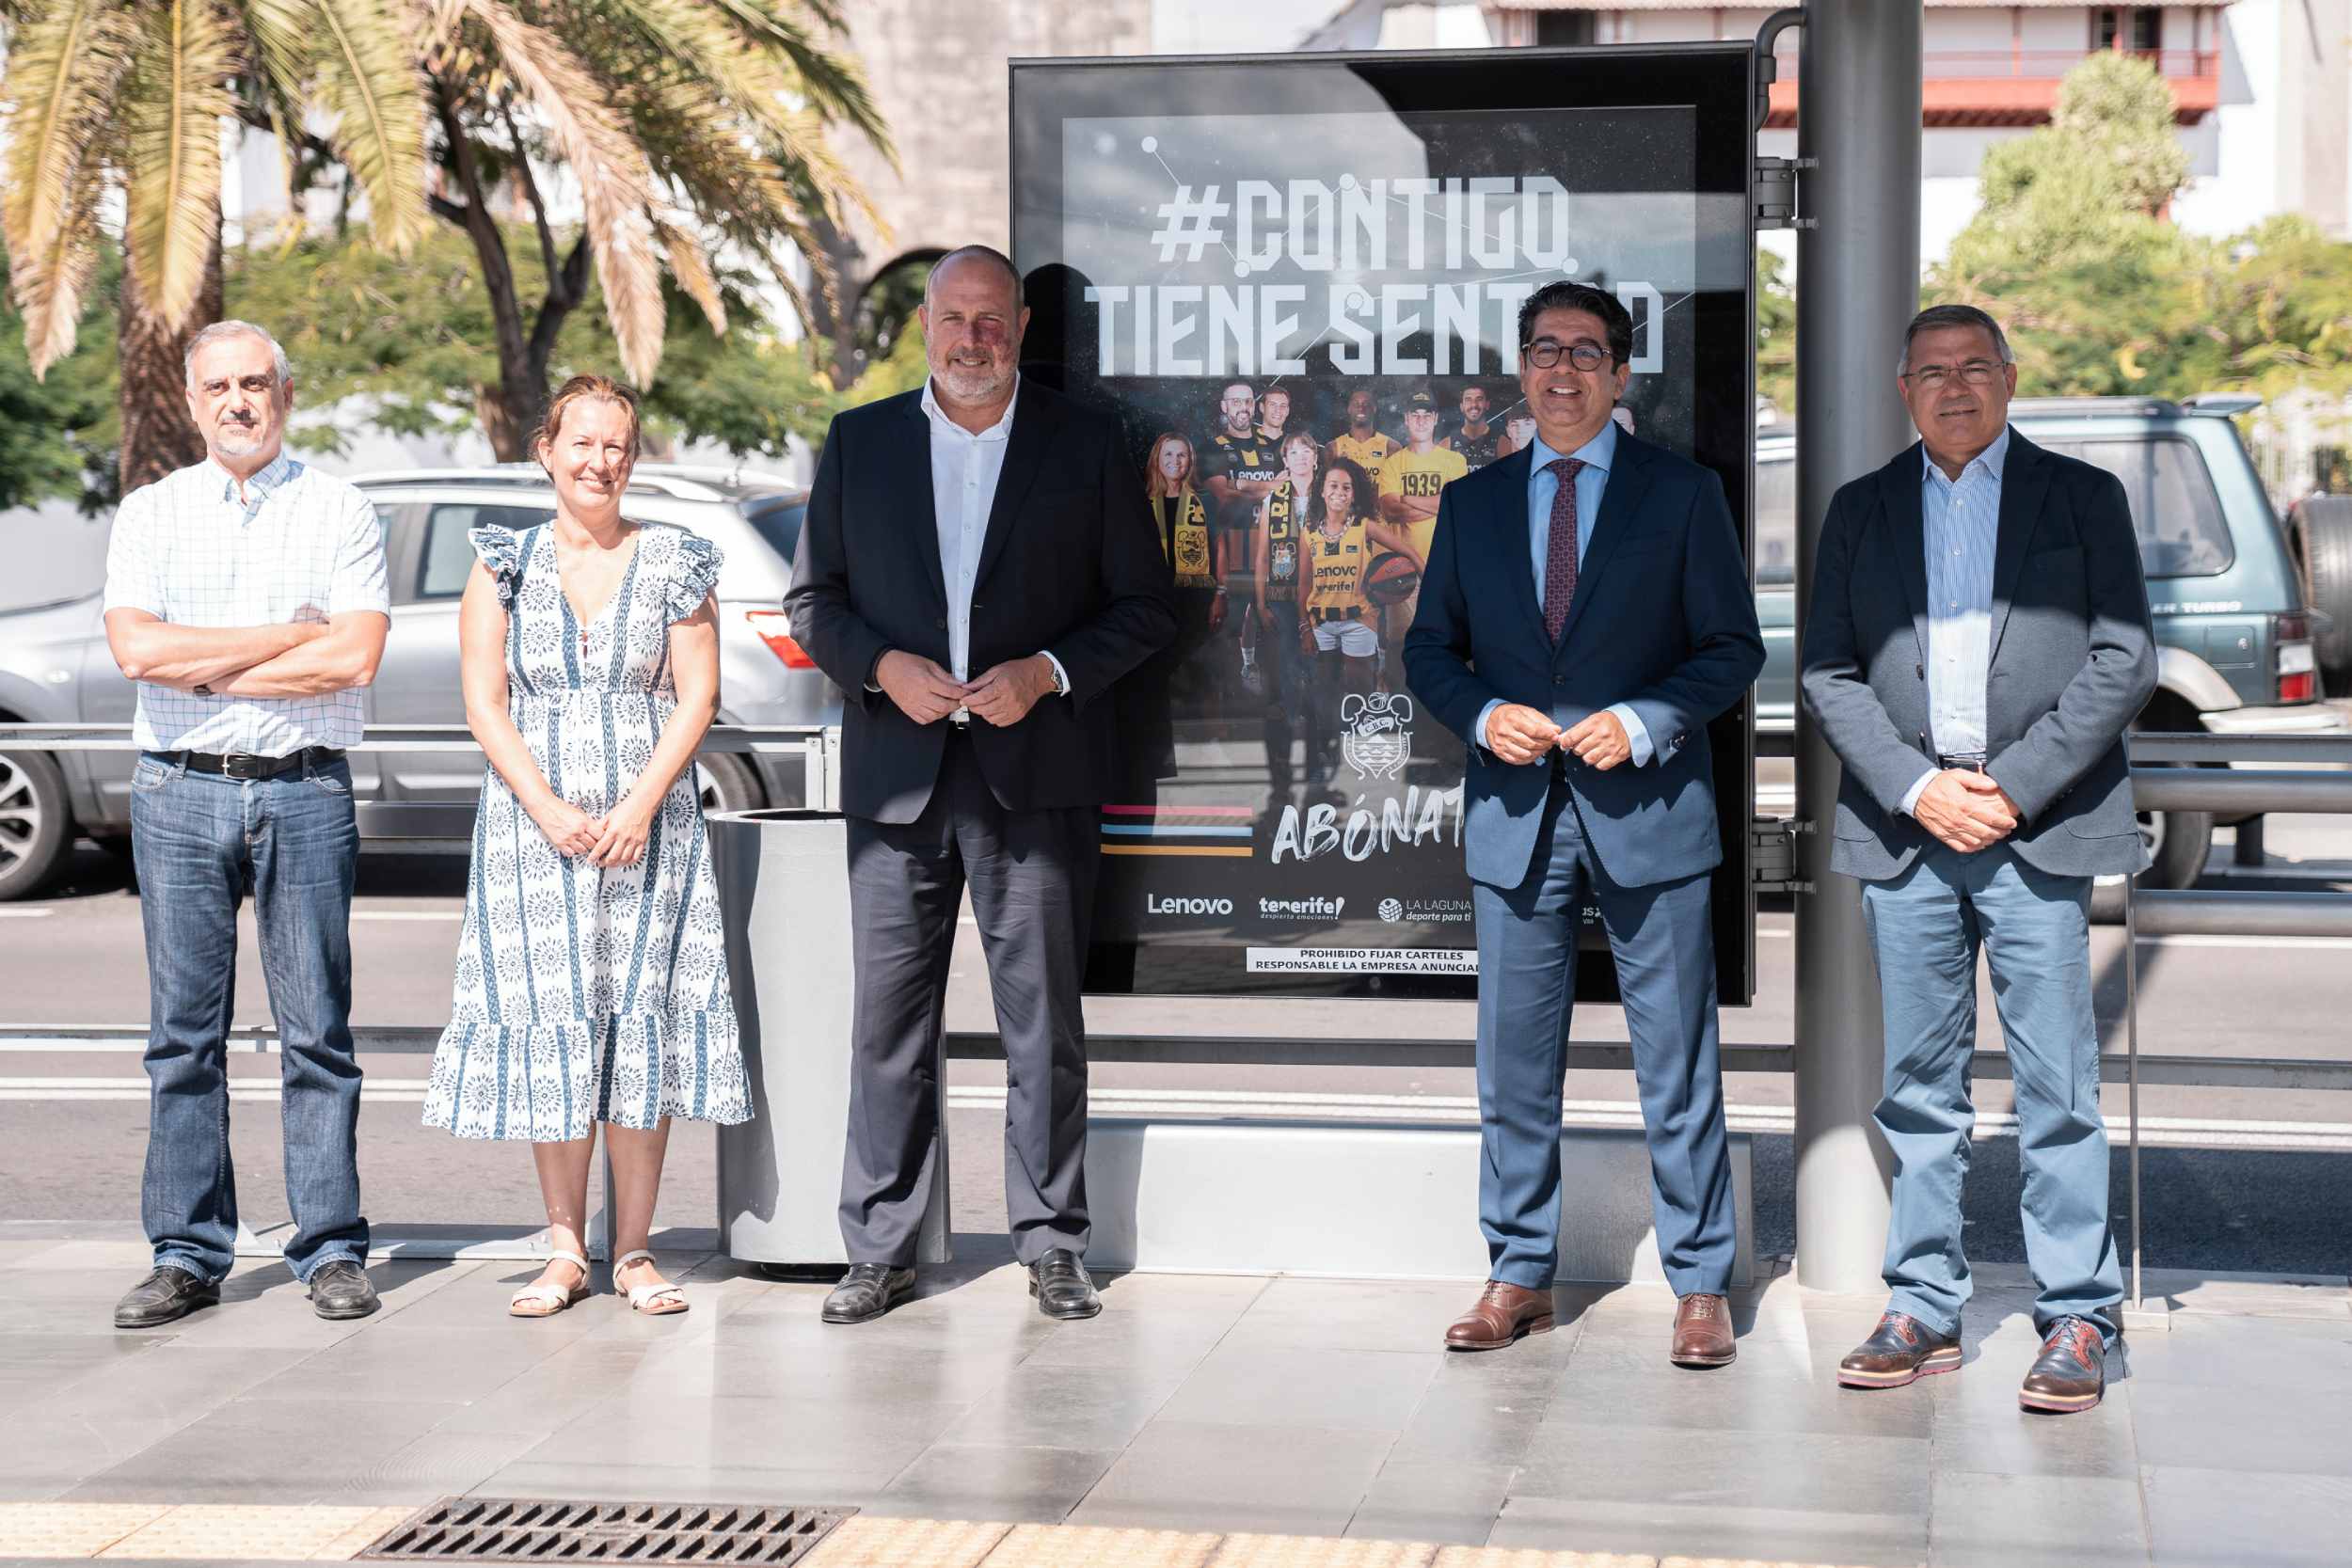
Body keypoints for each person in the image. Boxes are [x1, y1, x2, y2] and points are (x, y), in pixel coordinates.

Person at [786, 245, 1174, 1324]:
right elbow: (813, 601)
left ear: (1020, 328)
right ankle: (881, 1248)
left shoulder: (1084, 444)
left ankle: (1052, 1243)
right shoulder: (860, 441)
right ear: (925, 324)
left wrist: (1046, 671)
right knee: (887, 1028)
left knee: (1042, 1025)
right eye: (954, 318)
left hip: (1036, 776)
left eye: (992, 318)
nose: (973, 339)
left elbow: (1144, 605)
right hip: (896, 782)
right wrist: (881, 666)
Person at [1802, 303, 2156, 1414]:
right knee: (1918, 1088)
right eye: (1931, 372)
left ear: (2007, 376)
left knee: (2057, 1087)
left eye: (1972, 367)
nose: (1952, 387)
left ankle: (2078, 1315)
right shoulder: (1860, 508)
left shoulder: (2081, 497)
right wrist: (1920, 786)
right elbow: (1826, 672)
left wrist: (2011, 785)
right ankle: (1921, 1305)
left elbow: (2124, 657)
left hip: (2034, 826)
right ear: (1901, 390)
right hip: (1910, 826)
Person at [1404, 280, 1762, 1364]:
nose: (1563, 370)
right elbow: (1430, 649)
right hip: (1517, 813)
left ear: (1619, 372)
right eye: (1545, 350)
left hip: (1649, 807)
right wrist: (1483, 714)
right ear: (1522, 368)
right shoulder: (1473, 502)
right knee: (1513, 1062)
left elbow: (1731, 648)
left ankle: (1700, 1282)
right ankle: (1518, 1272)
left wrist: (1644, 718)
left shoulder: (1682, 494)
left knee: (1676, 1061)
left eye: (1586, 352)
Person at [421, 374, 750, 1319]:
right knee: (557, 1024)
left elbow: (698, 695)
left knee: (638, 1021)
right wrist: (549, 809)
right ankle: (566, 1248)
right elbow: (484, 702)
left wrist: (640, 805)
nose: (600, 461)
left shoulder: (677, 560)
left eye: (616, 446)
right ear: (546, 451)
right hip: (534, 836)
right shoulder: (503, 563)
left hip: (652, 830)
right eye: (583, 443)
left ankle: (635, 1248)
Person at [101, 321, 389, 1328]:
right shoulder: (150, 512)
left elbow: (351, 659)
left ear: (285, 394)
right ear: (192, 402)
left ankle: (332, 1247)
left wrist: (207, 663)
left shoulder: (340, 507)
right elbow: (139, 652)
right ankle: (185, 1252)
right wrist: (285, 636)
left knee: (319, 1035)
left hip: (305, 790)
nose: (238, 401)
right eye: (218, 386)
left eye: (255, 383)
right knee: (183, 1039)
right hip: (177, 791)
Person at [1300, 456, 1385, 781]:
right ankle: (1327, 746)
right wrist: (1304, 628)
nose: (1339, 492)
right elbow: (1302, 586)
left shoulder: (1364, 527)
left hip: (1357, 620)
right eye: (1333, 485)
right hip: (1321, 622)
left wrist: (1423, 575)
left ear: (1354, 494)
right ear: (1322, 491)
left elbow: (1406, 554)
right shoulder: (1310, 532)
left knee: (1358, 684)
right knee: (1324, 687)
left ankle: (1359, 746)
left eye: (1346, 487)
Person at [1200, 381, 1283, 695]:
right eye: (1235, 402)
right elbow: (1223, 495)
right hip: (1234, 544)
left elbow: (1288, 487)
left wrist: (1243, 484)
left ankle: (1274, 694)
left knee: (1274, 616)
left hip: (1273, 544)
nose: (1242, 408)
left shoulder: (1272, 445)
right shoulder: (1212, 447)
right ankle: (1232, 691)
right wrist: (1267, 489)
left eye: (1247, 401)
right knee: (1233, 620)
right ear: (1224, 407)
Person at [1377, 389, 1470, 648]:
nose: (1421, 420)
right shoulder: (1393, 463)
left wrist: (1407, 498)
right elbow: (1390, 510)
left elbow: (1458, 506)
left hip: (1446, 569)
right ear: (1406, 419)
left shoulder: (1454, 460)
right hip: (1403, 571)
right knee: (1400, 645)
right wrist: (1440, 503)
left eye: (1426, 415)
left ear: (1435, 418)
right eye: (1415, 415)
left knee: (1449, 644)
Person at [1145, 430, 1228, 694]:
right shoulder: (1141, 502)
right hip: (1155, 598)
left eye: (1181, 455)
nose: (1175, 461)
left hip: (1195, 598)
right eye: (1169, 454)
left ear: (1190, 460)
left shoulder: (1205, 500)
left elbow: (1220, 548)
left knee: (1194, 668)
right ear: (1157, 459)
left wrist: (1220, 594)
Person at [1330, 388, 1399, 489]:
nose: (1361, 408)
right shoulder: (1334, 448)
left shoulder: (1391, 447)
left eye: (1366, 404)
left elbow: (1395, 489)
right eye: (1356, 404)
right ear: (1349, 409)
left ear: (1374, 408)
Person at [1443, 385, 1502, 469]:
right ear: (1461, 407)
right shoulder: (1446, 444)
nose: (1474, 404)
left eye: (1479, 399)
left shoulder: (1502, 442)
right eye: (1468, 400)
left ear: (1487, 404)